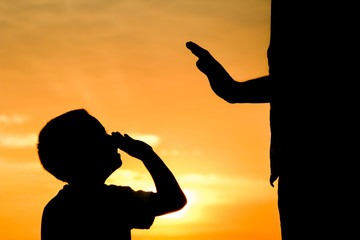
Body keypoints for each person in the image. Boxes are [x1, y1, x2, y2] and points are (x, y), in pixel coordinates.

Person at [37, 109, 186, 240]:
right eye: (102, 135)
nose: (112, 139)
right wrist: (147, 155)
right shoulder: (114, 200)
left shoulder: (55, 208)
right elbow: (174, 200)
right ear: (86, 152)